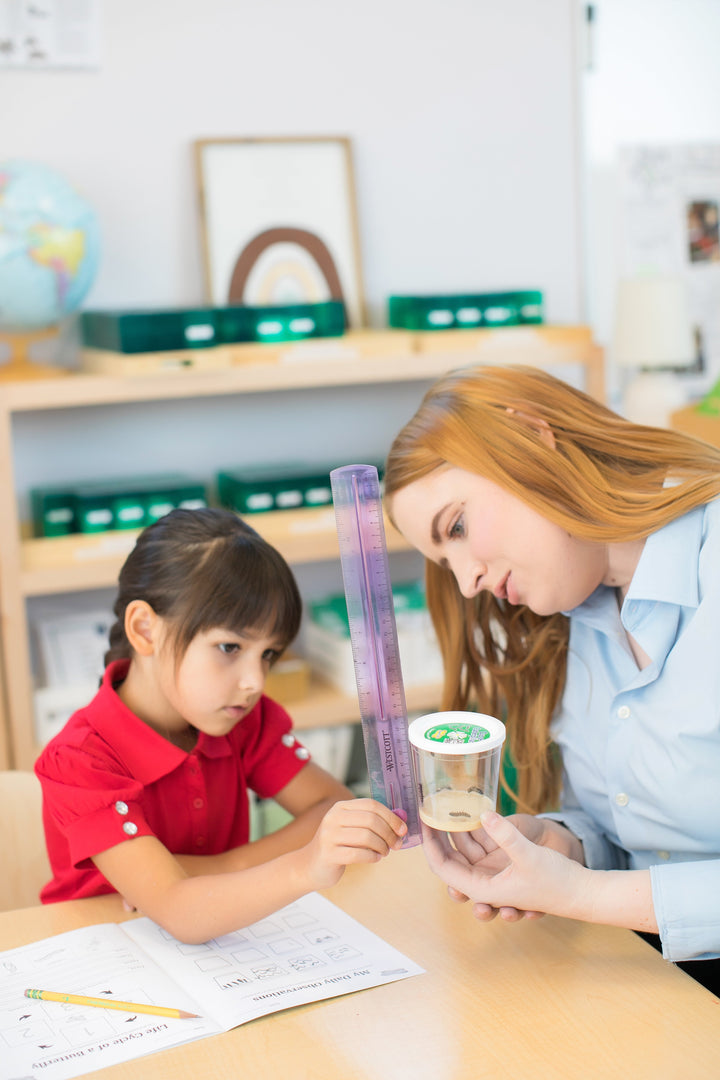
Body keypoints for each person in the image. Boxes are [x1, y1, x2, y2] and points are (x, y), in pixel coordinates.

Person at [384, 363, 720, 994]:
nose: (466, 582)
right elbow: (653, 845)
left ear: (532, 437)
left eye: (456, 526)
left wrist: (588, 894)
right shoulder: (576, 618)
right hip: (661, 983)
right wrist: (563, 847)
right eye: (444, 560)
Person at [35, 508, 406, 944]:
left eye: (268, 654)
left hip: (225, 945)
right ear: (145, 629)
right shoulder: (78, 760)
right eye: (229, 646)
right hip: (101, 956)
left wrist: (212, 871)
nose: (254, 682)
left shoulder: (242, 719)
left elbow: (330, 804)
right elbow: (183, 912)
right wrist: (304, 863)